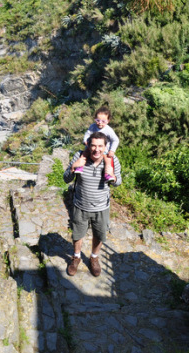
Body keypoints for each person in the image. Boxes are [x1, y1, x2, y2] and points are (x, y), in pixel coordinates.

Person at [63, 132, 122, 277]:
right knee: (77, 234)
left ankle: (94, 258)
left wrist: (113, 177)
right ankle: (76, 257)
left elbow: (118, 182)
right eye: (93, 146)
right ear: (88, 145)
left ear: (106, 147)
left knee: (99, 234)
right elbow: (66, 179)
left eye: (100, 146)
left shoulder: (112, 159)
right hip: (80, 205)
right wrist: (73, 168)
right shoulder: (80, 156)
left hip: (102, 207)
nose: (97, 149)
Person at [71, 106, 119, 182]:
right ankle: (79, 167)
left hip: (105, 150)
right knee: (84, 154)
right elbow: (87, 133)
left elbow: (115, 140)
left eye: (103, 121)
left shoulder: (108, 130)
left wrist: (112, 150)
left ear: (108, 121)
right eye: (97, 120)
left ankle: (108, 174)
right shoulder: (92, 126)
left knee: (108, 160)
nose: (100, 123)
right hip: (91, 147)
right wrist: (85, 140)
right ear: (95, 119)